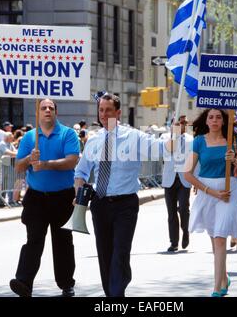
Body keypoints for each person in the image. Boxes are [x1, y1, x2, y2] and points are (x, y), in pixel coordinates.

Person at [74, 93, 166, 297]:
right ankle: (112, 296)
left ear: (118, 112)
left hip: (125, 204)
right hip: (100, 204)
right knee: (105, 255)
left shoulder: (134, 137)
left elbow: (160, 149)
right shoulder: (94, 140)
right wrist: (78, 193)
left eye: (108, 110)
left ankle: (117, 294)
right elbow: (80, 172)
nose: (104, 114)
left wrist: (177, 134)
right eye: (101, 110)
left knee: (120, 252)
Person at [10, 98, 80, 297]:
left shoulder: (68, 134)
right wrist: (29, 159)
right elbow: (18, 166)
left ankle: (67, 284)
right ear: (38, 113)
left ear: (56, 112)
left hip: (62, 197)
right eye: (43, 108)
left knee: (63, 242)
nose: (47, 110)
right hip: (36, 198)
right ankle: (23, 281)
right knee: (33, 240)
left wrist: (45, 164)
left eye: (51, 107)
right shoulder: (30, 137)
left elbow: (71, 161)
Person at [183, 108, 237, 297]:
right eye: (211, 117)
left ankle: (216, 289)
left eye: (218, 117)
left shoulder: (233, 141)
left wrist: (235, 161)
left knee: (221, 238)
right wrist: (211, 192)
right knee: (215, 240)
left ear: (224, 121)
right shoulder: (199, 142)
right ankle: (224, 277)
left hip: (229, 192)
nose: (214, 120)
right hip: (208, 194)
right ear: (206, 121)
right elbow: (187, 173)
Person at [160, 115, 193, 252]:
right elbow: (163, 153)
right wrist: (173, 137)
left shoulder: (191, 140)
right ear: (173, 124)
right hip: (169, 179)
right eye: (180, 123)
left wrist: (196, 180)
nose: (183, 125)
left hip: (184, 178)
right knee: (171, 212)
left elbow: (195, 161)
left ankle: (186, 231)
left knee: (184, 208)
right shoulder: (165, 137)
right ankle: (174, 242)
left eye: (185, 123)